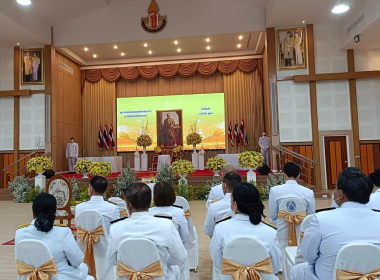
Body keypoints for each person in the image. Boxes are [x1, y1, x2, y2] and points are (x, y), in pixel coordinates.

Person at [291, 167, 380, 280]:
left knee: (296, 270)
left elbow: (307, 255)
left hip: (328, 277)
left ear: (339, 194)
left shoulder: (321, 219)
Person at [106, 183, 188, 280]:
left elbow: (111, 260)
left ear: (128, 205)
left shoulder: (116, 228)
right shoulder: (166, 225)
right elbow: (181, 257)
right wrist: (162, 262)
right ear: (150, 202)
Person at [210, 182, 281, 280]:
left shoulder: (220, 229)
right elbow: (276, 267)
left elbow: (217, 263)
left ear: (234, 205)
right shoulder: (270, 232)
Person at [15, 193, 91, 280]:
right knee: (86, 268)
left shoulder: (19, 233)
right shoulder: (62, 232)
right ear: (54, 211)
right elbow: (77, 261)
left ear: (33, 212)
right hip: (59, 277)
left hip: (30, 277)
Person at [149, 182, 190, 280]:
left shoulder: (149, 212)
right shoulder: (179, 212)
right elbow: (185, 236)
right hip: (176, 254)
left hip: (155, 256)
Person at [204, 172, 242, 236]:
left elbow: (209, 231)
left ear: (224, 186)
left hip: (221, 241)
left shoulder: (213, 206)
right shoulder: (247, 203)